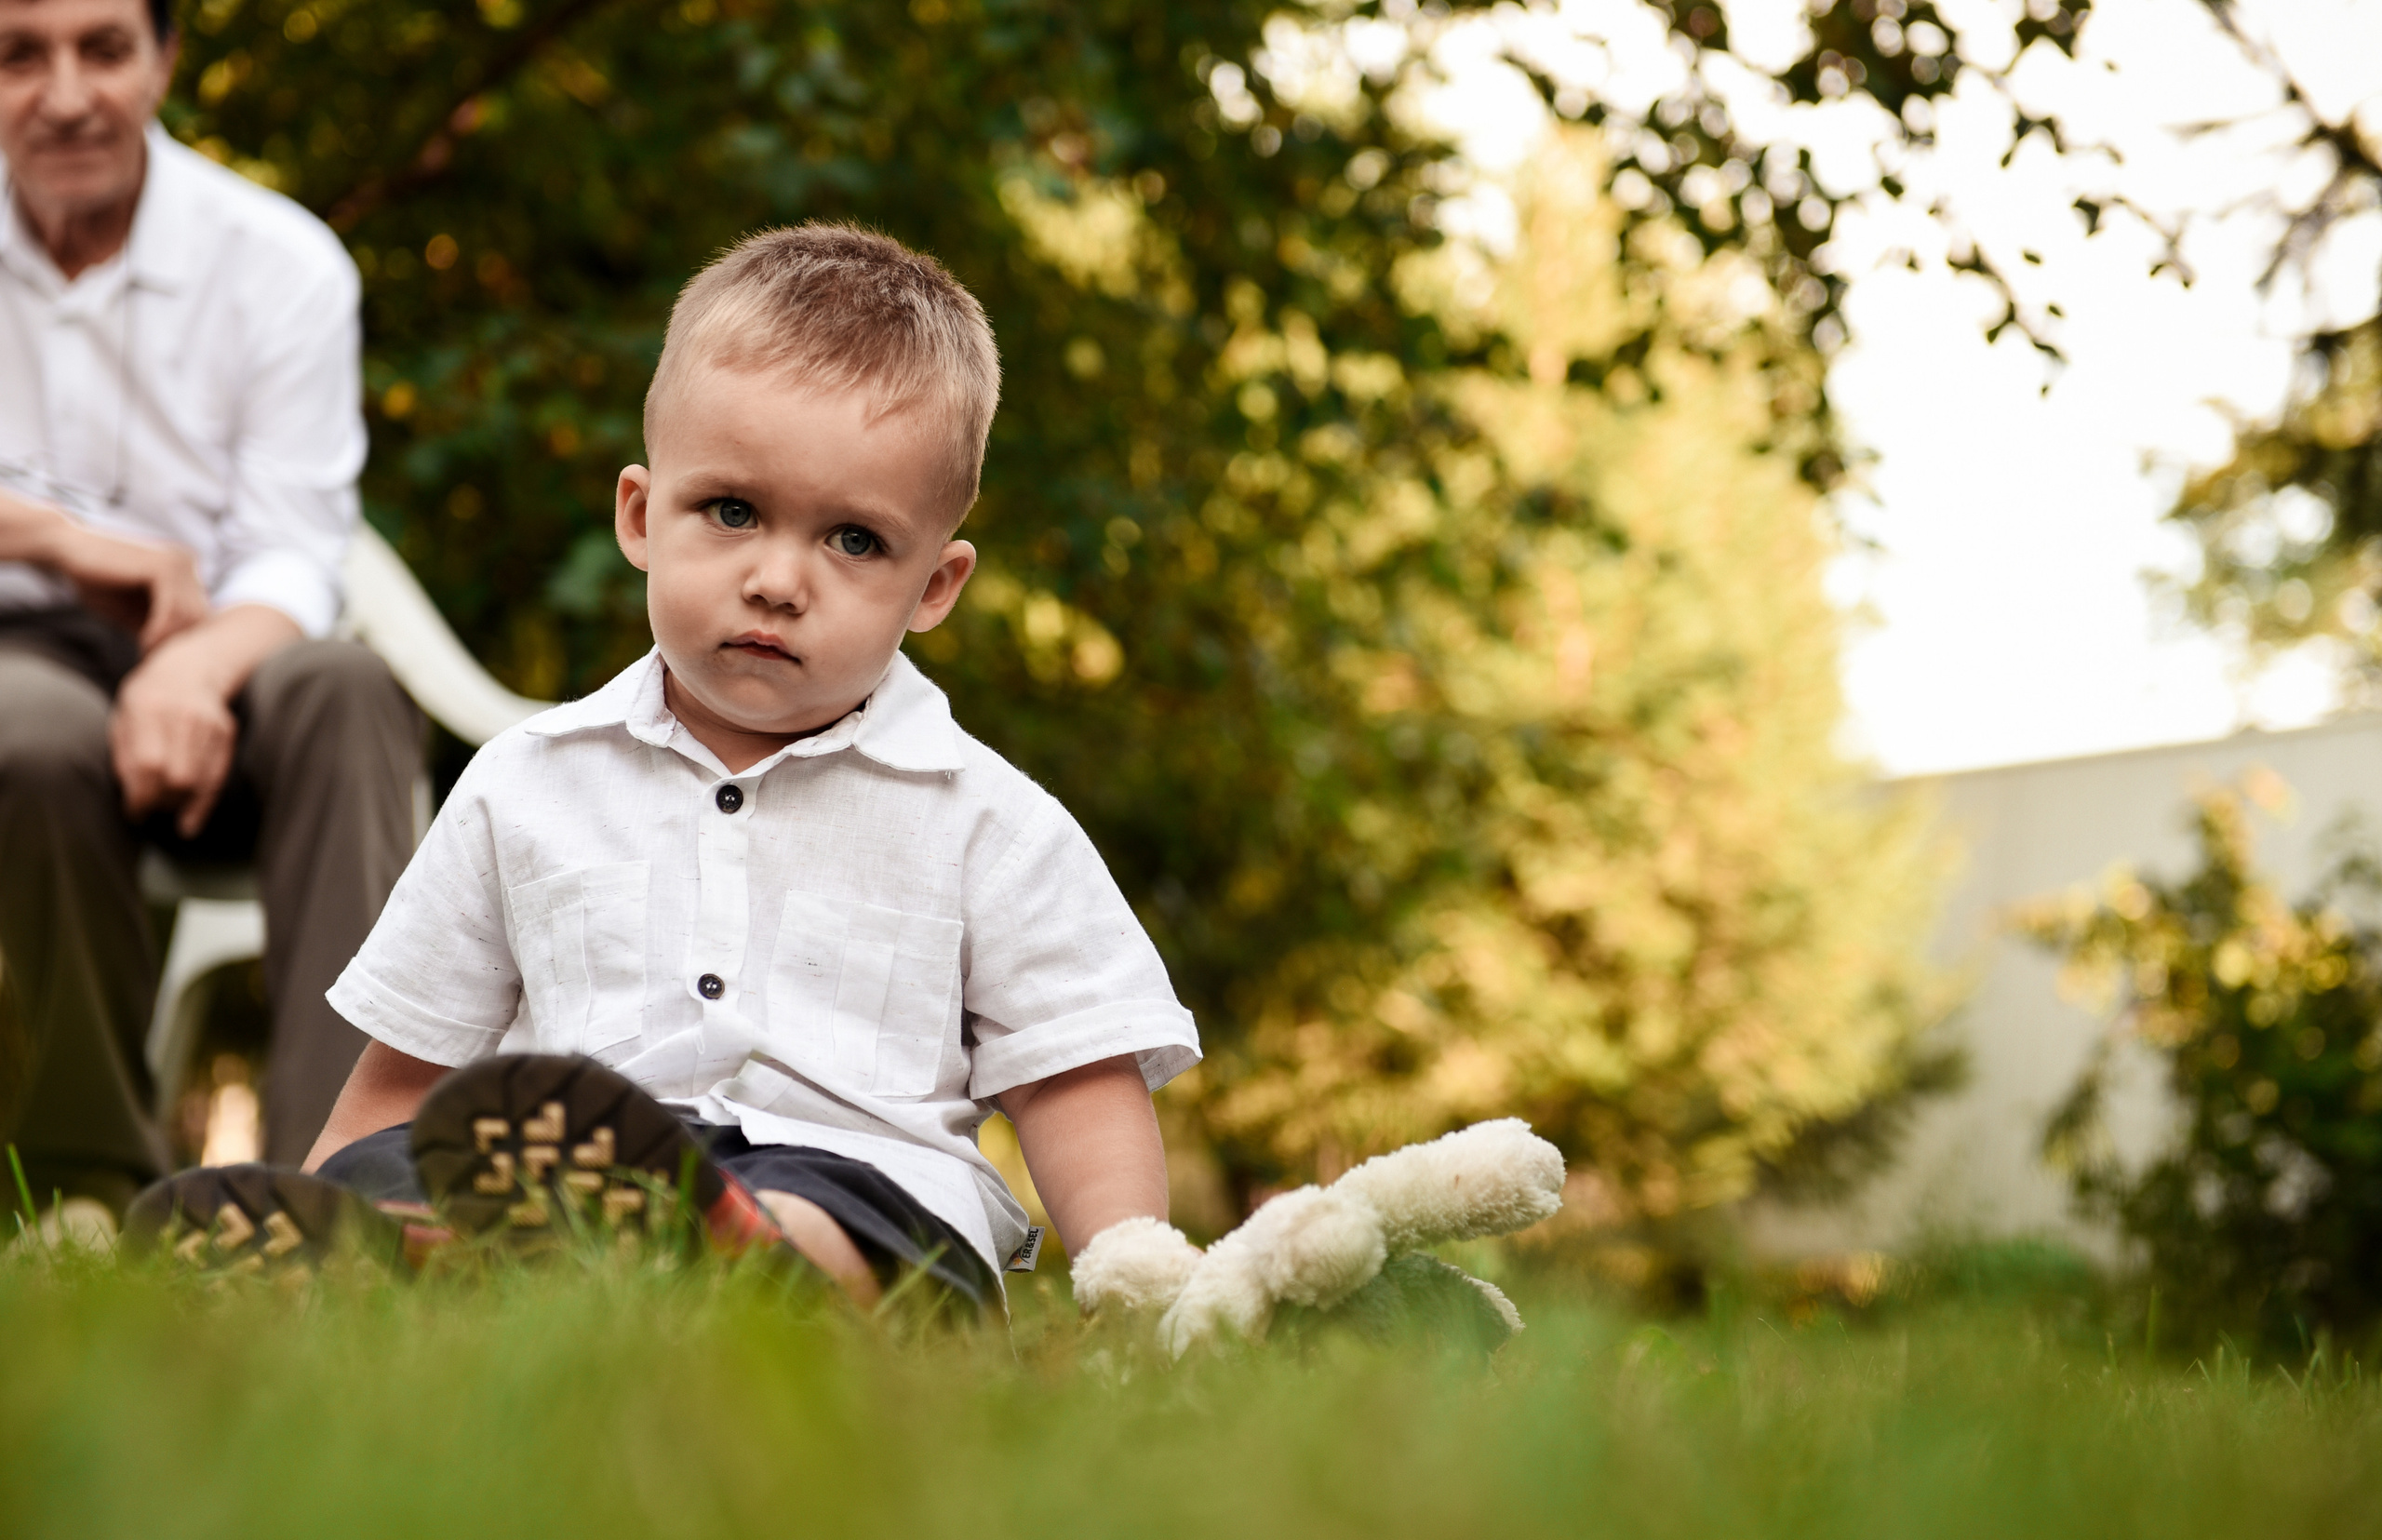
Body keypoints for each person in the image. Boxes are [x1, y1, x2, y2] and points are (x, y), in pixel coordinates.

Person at [128, 226, 1200, 1311]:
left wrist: (1137, 1290)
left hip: (857, 1180)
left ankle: (728, 1250)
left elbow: (1074, 1082)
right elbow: (401, 1079)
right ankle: (359, 1262)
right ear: (641, 515)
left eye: (855, 541)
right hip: (561, 1168)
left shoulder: (987, 822)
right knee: (398, 1167)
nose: (778, 579)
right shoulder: (525, 783)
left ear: (936, 584)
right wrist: (335, 1185)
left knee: (856, 1218)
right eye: (732, 512)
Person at [0, 0, 422, 1227]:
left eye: (104, 49)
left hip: (239, 648)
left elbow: (298, 545)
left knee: (351, 694)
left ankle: (344, 1188)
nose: (66, 92)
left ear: (166, 59)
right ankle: (89, 1186)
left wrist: (189, 673)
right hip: (22, 647)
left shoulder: (281, 262)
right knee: (25, 736)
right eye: (20, 55)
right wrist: (62, 538)